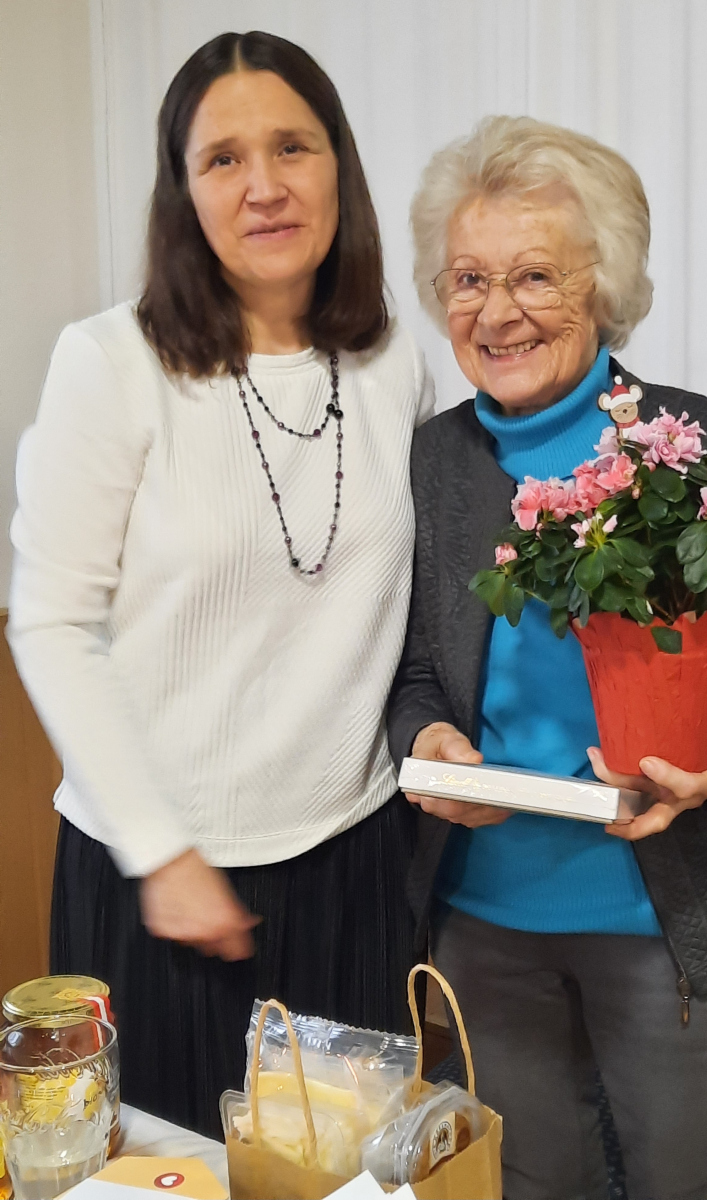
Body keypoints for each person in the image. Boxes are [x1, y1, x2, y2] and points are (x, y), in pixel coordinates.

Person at [388, 115, 707, 1200]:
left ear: (603, 286)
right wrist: (428, 734)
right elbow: (412, 670)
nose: (495, 312)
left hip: (674, 927)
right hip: (486, 929)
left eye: (534, 276)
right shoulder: (427, 466)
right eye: (467, 279)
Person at [8, 31, 433, 1137]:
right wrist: (160, 849)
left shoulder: (392, 359)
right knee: (171, 1175)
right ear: (182, 190)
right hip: (160, 875)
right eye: (223, 159)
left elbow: (410, 603)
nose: (264, 186)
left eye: (292, 147)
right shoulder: (109, 364)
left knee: (341, 1171)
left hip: (355, 853)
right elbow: (50, 622)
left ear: (338, 163)